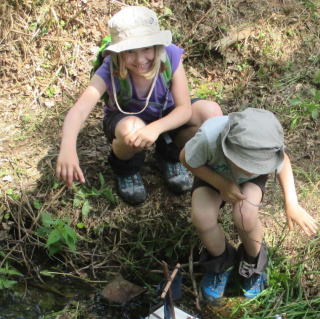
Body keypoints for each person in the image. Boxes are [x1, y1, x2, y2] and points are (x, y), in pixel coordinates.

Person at [56, 6, 222, 205]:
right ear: (118, 52)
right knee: (131, 130)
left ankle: (169, 154)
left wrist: (156, 128)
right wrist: (67, 147)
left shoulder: (168, 55)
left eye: (146, 48)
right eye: (130, 52)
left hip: (165, 116)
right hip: (127, 122)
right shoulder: (110, 67)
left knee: (211, 113)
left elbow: (184, 109)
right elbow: (80, 109)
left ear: (156, 45)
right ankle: (128, 168)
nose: (140, 59)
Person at [180, 108, 317, 301]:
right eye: (245, 164)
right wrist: (221, 184)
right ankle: (221, 263)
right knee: (202, 218)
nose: (250, 170)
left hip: (246, 184)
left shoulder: (266, 145)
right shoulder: (209, 137)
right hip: (214, 173)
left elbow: (283, 162)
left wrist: (291, 203)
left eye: (257, 167)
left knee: (246, 216)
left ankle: (253, 265)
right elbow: (186, 158)